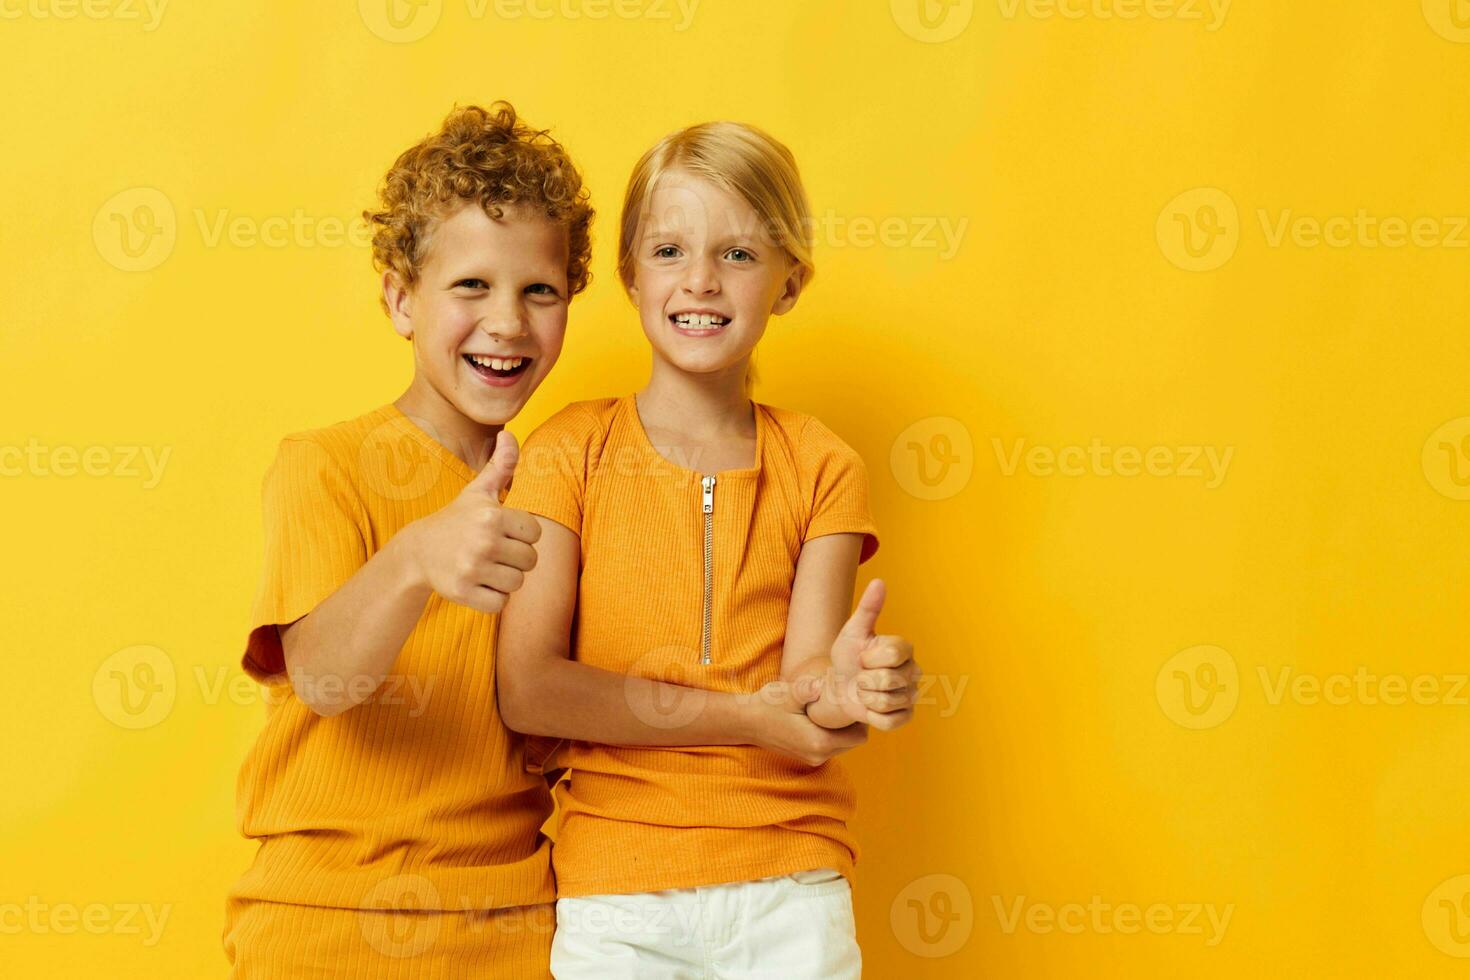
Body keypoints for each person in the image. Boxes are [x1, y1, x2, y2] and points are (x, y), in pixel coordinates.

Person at [497, 119, 923, 978]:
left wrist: (849, 689)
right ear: (628, 273)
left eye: (737, 254)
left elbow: (808, 693)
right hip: (619, 892)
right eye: (668, 251)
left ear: (789, 281)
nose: (700, 280)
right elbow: (530, 689)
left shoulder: (822, 466)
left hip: (790, 884)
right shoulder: (565, 451)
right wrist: (745, 716)